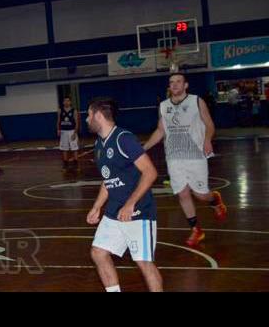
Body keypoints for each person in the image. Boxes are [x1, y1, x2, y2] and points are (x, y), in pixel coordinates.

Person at [85, 97, 163, 292]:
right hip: (113, 212)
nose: (86, 120)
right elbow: (108, 179)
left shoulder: (123, 138)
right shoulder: (99, 145)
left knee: (144, 262)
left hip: (139, 213)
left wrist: (130, 204)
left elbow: (150, 172)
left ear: (98, 116)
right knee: (98, 252)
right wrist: (97, 206)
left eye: (88, 115)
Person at [143, 73, 227, 247]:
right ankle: (196, 230)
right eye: (171, 82)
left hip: (195, 155)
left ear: (186, 85)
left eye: (178, 82)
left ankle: (215, 199)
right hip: (174, 157)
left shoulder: (197, 101)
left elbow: (209, 125)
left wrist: (207, 139)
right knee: (182, 193)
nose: (174, 85)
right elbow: (160, 130)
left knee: (201, 195)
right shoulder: (163, 106)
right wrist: (142, 148)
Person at [57, 97, 81, 171]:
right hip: (63, 132)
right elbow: (58, 121)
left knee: (75, 148)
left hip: (72, 131)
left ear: (70, 102)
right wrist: (58, 129)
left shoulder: (74, 111)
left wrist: (75, 132)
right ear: (63, 102)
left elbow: (77, 122)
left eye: (68, 101)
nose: (66, 102)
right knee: (64, 149)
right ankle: (65, 164)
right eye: (65, 101)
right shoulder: (60, 110)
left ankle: (76, 164)